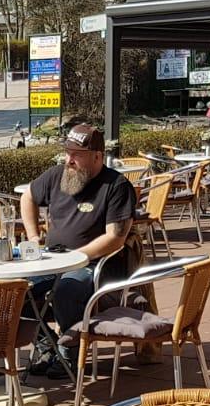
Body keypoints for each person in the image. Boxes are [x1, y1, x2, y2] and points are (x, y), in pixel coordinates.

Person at [19, 124, 137, 373]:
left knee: (67, 289)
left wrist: (77, 256)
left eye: (76, 154)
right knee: (16, 290)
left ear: (97, 156)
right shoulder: (56, 175)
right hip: (51, 260)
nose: (69, 159)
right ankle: (48, 345)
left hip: (95, 266)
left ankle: (69, 354)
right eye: (67, 152)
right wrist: (32, 235)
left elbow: (115, 237)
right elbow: (27, 196)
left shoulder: (116, 186)